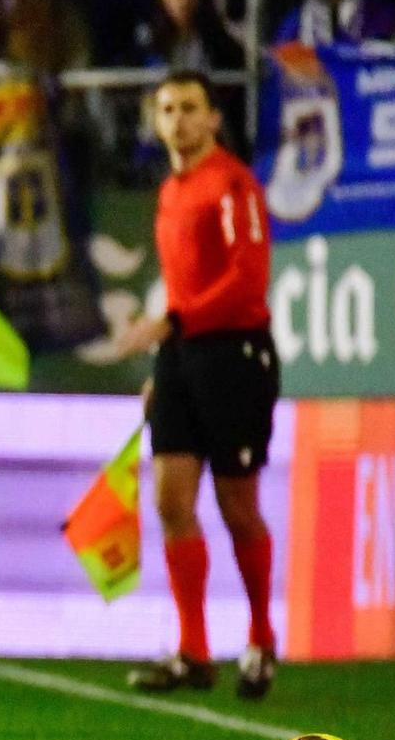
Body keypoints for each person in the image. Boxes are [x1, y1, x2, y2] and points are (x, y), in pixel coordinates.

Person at [114, 72, 278, 700]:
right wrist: (168, 366)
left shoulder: (232, 185)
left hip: (234, 354)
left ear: (213, 119)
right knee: (171, 502)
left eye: (190, 109)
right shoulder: (172, 191)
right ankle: (194, 651)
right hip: (185, 355)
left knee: (238, 506)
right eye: (167, 110)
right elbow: (184, 284)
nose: (178, 121)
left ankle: (261, 639)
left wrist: (172, 325)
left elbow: (247, 279)